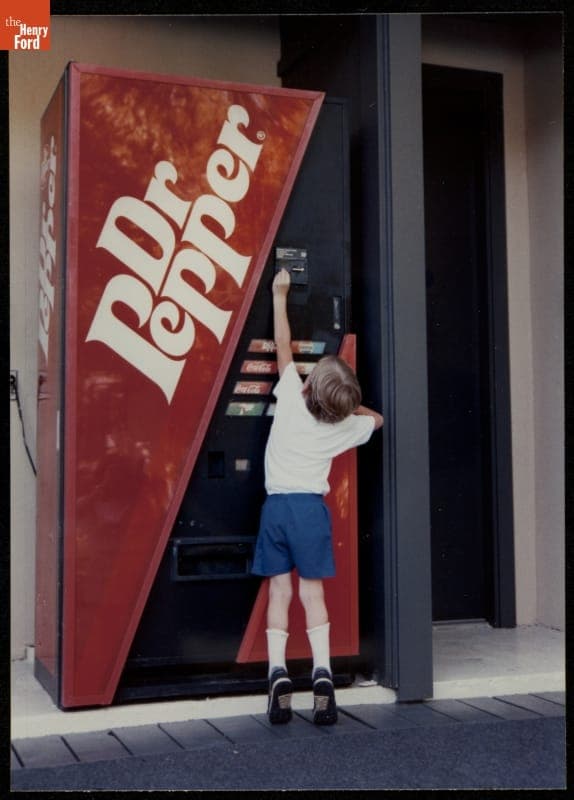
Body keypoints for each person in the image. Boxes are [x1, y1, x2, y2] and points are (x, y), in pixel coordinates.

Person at [252, 268, 383, 725]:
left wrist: (280, 294)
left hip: (276, 509)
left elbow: (284, 346)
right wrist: (347, 407)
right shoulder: (344, 427)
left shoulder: (290, 395)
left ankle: (277, 674)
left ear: (308, 385)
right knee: (312, 593)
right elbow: (378, 419)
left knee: (280, 591)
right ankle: (323, 674)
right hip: (311, 510)